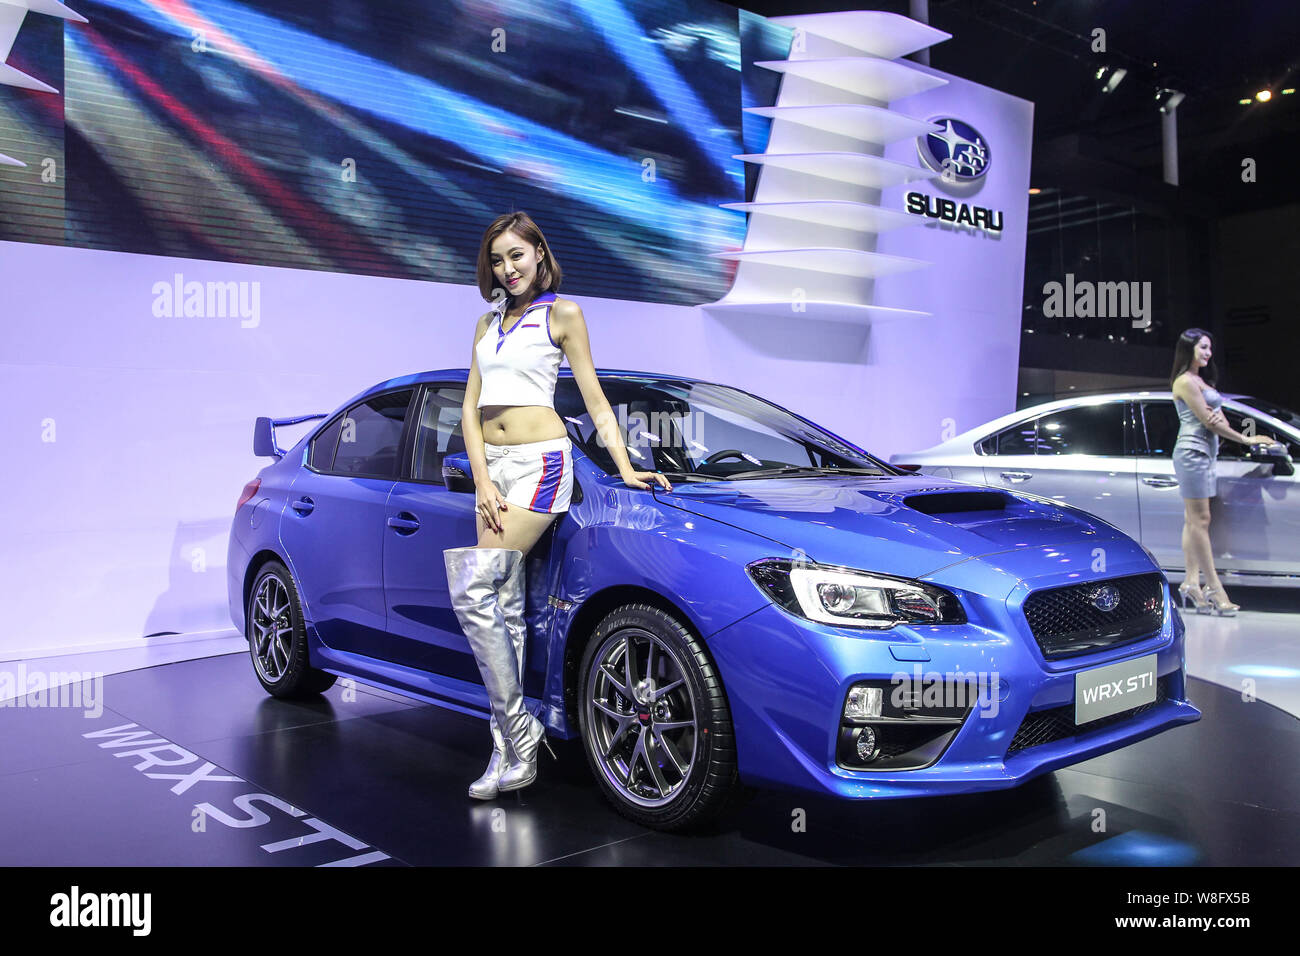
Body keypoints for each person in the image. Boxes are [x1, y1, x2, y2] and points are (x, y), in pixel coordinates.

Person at [442, 211, 672, 800]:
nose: (507, 268)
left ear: (540, 254)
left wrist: (624, 467)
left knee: (473, 585)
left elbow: (594, 399)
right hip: (494, 472)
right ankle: (509, 754)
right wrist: (484, 480)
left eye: (517, 255)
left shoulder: (562, 314)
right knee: (506, 605)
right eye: (497, 259)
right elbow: (470, 407)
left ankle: (520, 732)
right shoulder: (485, 322)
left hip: (543, 463)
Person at [1169, 328, 1272, 615]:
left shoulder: (1200, 379)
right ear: (1188, 349)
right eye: (1203, 347)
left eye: (1210, 348)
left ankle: (1191, 582)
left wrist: (1226, 427)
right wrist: (1247, 439)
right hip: (1192, 453)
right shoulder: (1185, 381)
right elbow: (1209, 421)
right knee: (1201, 520)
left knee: (1193, 521)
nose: (1208, 353)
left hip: (1205, 453)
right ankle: (1214, 587)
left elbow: (1218, 416)